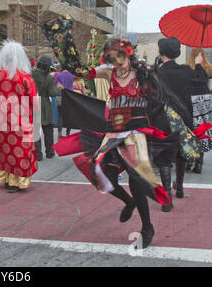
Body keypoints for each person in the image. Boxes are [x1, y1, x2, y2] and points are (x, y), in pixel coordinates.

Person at [58, 39, 191, 249]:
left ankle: (147, 227)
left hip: (136, 133)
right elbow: (80, 71)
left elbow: (161, 101)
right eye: (112, 57)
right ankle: (128, 202)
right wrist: (63, 41)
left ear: (128, 54)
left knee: (136, 180)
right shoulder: (107, 73)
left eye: (119, 56)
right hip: (113, 133)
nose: (116, 61)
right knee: (101, 174)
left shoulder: (143, 74)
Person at [157, 37, 211, 192]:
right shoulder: (187, 71)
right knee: (181, 152)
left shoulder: (157, 73)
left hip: (163, 118)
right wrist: (199, 64)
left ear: (161, 52)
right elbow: (202, 83)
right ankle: (179, 187)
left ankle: (166, 196)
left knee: (165, 156)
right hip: (184, 117)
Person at [0, 40, 39, 193]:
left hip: (0, 121)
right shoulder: (25, 77)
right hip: (21, 121)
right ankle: (17, 181)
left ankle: (6, 179)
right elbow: (34, 101)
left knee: (3, 150)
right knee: (20, 150)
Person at [31, 55, 63, 161]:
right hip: (45, 104)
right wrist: (59, 87)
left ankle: (37, 155)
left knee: (35, 130)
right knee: (48, 129)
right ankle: (49, 152)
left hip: (33, 103)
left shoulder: (31, 74)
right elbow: (52, 92)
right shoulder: (49, 77)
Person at [185, 47, 212, 174]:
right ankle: (199, 163)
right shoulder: (208, 68)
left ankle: (190, 160)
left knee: (190, 130)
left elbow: (196, 81)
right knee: (202, 131)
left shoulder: (187, 68)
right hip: (205, 104)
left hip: (191, 102)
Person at [53, 64, 75, 139]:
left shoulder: (58, 75)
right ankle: (68, 133)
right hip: (69, 97)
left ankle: (59, 133)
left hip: (60, 96)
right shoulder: (72, 75)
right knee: (69, 115)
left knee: (60, 115)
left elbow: (55, 85)